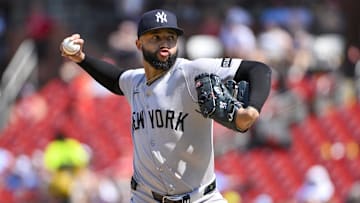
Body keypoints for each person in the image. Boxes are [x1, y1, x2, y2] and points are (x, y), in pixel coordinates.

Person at [60, 9, 271, 203]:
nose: (165, 44)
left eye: (170, 38)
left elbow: (259, 70)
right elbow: (115, 80)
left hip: (200, 199)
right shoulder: (135, 81)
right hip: (145, 197)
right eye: (156, 37)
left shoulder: (192, 72)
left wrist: (251, 110)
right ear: (139, 44)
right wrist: (81, 59)